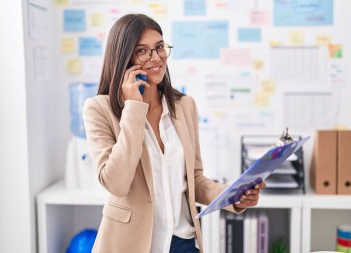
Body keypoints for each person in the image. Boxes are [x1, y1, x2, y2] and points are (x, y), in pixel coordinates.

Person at [82, 13, 266, 253]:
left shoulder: (184, 106)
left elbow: (195, 180)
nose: (156, 57)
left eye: (159, 47)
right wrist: (134, 109)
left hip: (183, 243)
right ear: (124, 58)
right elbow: (116, 183)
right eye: (142, 51)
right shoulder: (99, 108)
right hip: (131, 244)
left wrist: (233, 195)